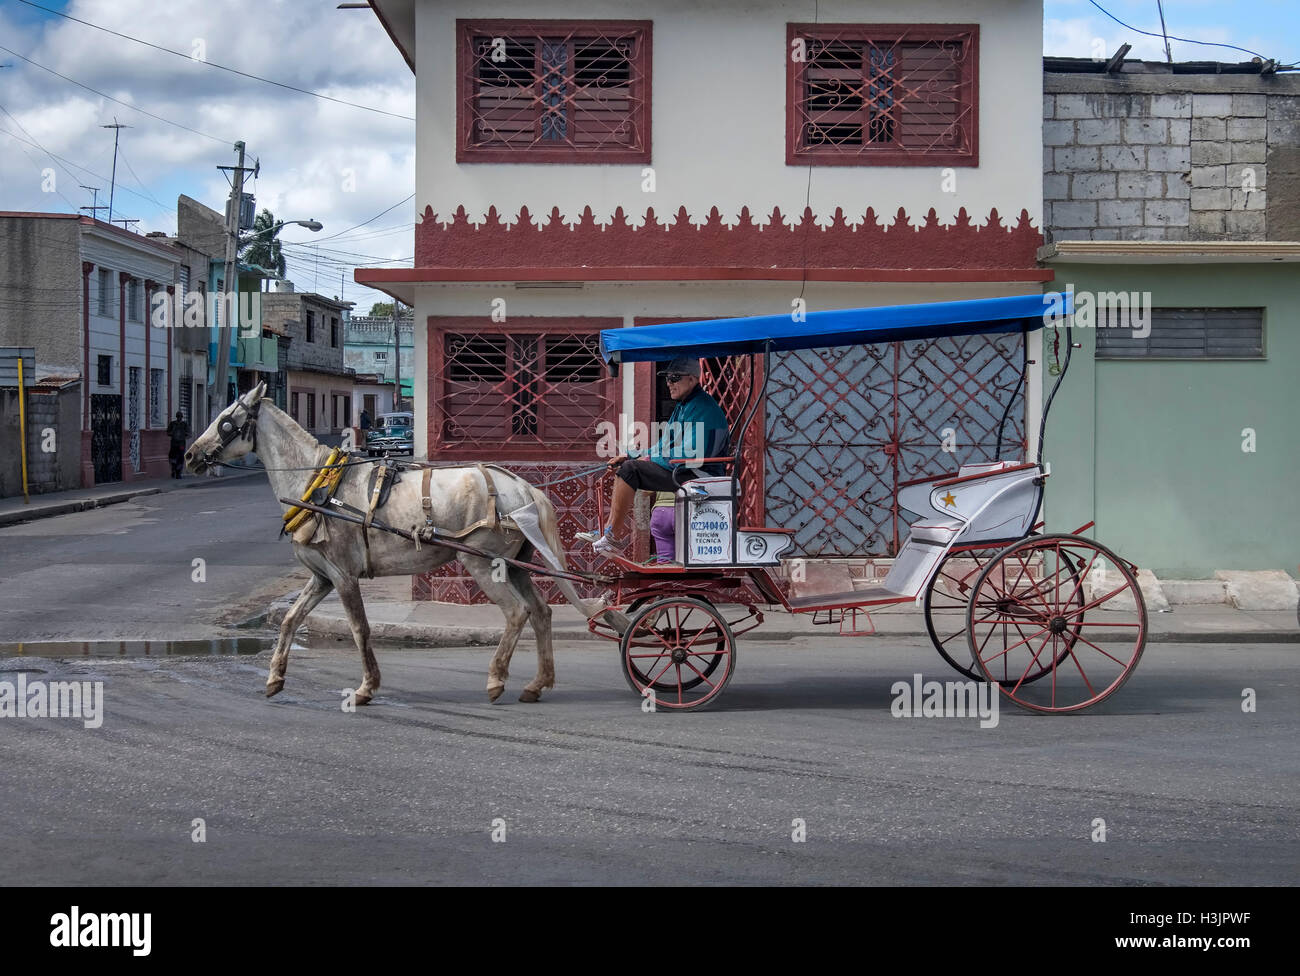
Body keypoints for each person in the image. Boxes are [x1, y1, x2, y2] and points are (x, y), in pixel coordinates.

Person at [577, 356, 730, 556]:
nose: (669, 383)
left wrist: (644, 460)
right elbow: (663, 446)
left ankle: (612, 535)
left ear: (692, 379)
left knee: (630, 471)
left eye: (675, 378)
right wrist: (630, 454)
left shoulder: (703, 408)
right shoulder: (684, 406)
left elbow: (691, 452)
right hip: (686, 471)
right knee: (629, 466)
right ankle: (608, 532)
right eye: (667, 379)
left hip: (700, 475)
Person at [166, 411, 189, 479]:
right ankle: (174, 470)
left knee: (180, 458)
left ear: (181, 417)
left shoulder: (184, 424)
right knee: (173, 457)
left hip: (180, 444)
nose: (179, 418)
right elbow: (168, 432)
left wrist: (185, 435)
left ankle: (178, 472)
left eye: (180, 417)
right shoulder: (173, 424)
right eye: (178, 416)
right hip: (175, 443)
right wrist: (172, 433)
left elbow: (188, 433)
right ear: (177, 417)